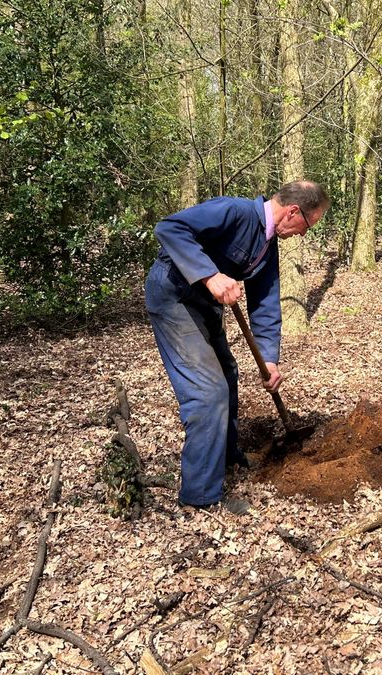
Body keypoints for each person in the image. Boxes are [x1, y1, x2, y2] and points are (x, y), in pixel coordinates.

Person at [146, 181, 329, 514]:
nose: (304, 234)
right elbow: (169, 227)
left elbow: (266, 304)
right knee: (208, 392)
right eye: (307, 226)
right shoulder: (235, 211)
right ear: (292, 211)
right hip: (173, 296)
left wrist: (270, 361)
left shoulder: (266, 245)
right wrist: (210, 275)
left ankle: (227, 456)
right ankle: (200, 498)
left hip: (202, 306)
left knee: (228, 375)